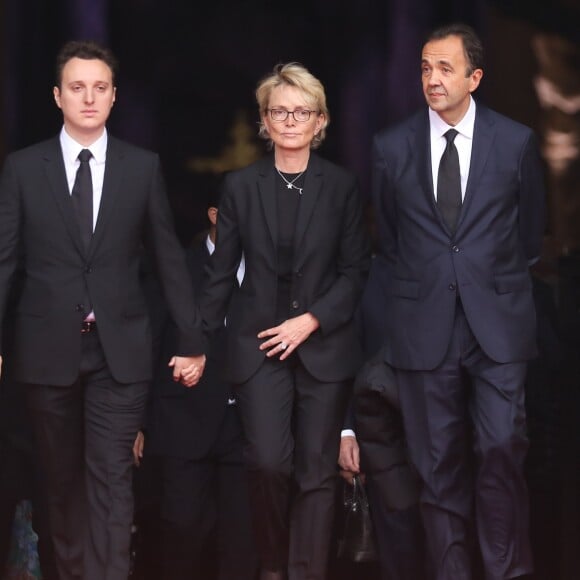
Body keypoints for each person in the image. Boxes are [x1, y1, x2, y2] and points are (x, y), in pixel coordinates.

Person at [0, 40, 205, 580]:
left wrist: (191, 339)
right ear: (57, 96)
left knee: (113, 480)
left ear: (114, 97)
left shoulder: (142, 167)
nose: (88, 97)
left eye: (99, 87)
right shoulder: (23, 169)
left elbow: (167, 258)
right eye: (77, 87)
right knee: (60, 483)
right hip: (45, 350)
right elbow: (4, 261)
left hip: (121, 350)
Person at [370, 23, 546, 580]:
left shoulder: (514, 140)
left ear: (475, 76)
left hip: (497, 323)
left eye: (445, 68)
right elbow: (390, 240)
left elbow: (530, 234)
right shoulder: (390, 146)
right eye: (424, 67)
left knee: (500, 450)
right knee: (436, 466)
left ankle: (507, 571)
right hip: (424, 326)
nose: (432, 78)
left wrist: (485, 282)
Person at [200, 62, 371, 580]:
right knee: (268, 465)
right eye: (280, 111)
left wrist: (313, 320)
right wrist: (196, 339)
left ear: (320, 121)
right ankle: (274, 568)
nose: (290, 120)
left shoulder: (342, 186)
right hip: (259, 349)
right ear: (265, 120)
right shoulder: (239, 186)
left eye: (302, 111)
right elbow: (220, 274)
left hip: (323, 346)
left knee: (317, 476)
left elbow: (355, 270)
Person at [144, 182, 258, 580]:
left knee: (243, 539)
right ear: (214, 216)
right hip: (183, 420)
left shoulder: (270, 271)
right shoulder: (177, 268)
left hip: (249, 424)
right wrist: (139, 422)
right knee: (182, 530)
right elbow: (151, 342)